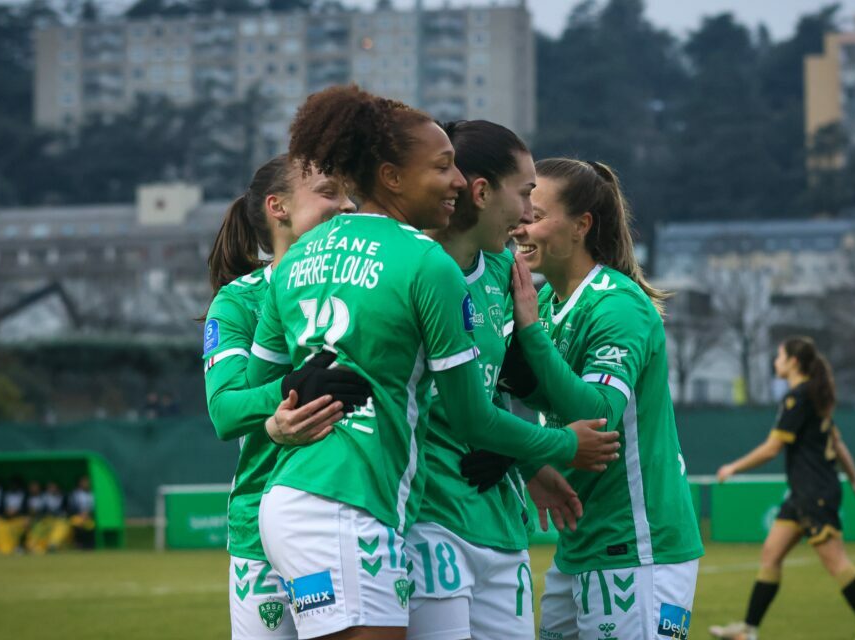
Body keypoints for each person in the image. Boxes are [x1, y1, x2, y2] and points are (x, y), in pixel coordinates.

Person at [247, 85, 620, 640]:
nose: (456, 181)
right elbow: (472, 418)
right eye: (444, 166)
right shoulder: (425, 261)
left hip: (304, 499)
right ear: (393, 177)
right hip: (350, 503)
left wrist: (280, 417)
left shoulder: (303, 252)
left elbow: (258, 392)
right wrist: (564, 445)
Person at [500, 158, 703, 640]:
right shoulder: (546, 302)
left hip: (637, 548)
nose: (521, 223)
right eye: (523, 208)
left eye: (537, 214)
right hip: (580, 544)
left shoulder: (617, 303)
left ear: (581, 226)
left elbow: (599, 414)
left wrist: (529, 333)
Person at [405, 120, 579, 640]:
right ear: (480, 193)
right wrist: (559, 447)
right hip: (428, 519)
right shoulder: (408, 269)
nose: (528, 215)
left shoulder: (505, 271)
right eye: (525, 194)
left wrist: (525, 462)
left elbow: (496, 389)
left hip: (501, 522)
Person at [202, 154, 366, 640]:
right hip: (259, 524)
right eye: (330, 192)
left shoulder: (367, 288)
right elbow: (225, 411)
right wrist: (289, 390)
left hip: (349, 513)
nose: (349, 204)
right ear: (278, 207)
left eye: (350, 192)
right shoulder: (239, 300)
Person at [709, 337, 855, 640]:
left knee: (836, 561)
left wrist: (733, 467)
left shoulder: (798, 397)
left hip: (814, 492)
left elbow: (772, 448)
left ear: (794, 361)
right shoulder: (816, 395)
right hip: (804, 492)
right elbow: (837, 442)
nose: (775, 361)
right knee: (771, 555)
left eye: (779, 356)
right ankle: (748, 630)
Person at [68, 475, 95, 550]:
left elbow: (95, 508)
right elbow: (71, 508)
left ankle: (89, 545)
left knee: (90, 526)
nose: (85, 484)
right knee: (77, 523)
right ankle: (78, 544)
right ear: (79, 483)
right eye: (83, 482)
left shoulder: (93, 494)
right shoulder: (75, 494)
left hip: (90, 517)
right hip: (77, 516)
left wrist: (89, 514)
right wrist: (80, 515)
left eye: (87, 482)